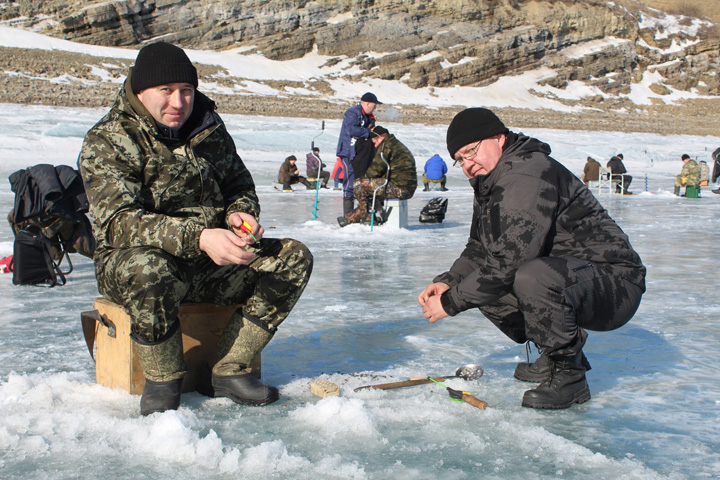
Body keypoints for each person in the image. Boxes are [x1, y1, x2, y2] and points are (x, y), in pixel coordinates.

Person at [78, 42, 314, 415]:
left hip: (209, 263)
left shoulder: (208, 127)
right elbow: (118, 222)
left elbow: (239, 183)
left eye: (186, 91)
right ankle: (162, 377)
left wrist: (240, 215)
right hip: (135, 264)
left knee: (292, 258)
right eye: (166, 91)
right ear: (140, 91)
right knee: (148, 267)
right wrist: (200, 237)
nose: (178, 102)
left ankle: (229, 368)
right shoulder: (108, 139)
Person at [417, 108, 646, 410]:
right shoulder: (491, 179)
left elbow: (510, 260)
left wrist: (450, 304)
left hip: (614, 284)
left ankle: (570, 376)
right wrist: (449, 282)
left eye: (471, 152)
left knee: (531, 276)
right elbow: (480, 247)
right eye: (460, 160)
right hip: (569, 277)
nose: (467, 165)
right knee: (483, 287)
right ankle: (553, 354)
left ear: (498, 138)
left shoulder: (527, 171)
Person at [337, 126, 417, 227]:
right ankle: (353, 217)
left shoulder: (386, 146)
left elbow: (375, 170)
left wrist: (365, 180)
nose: (374, 145)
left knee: (359, 184)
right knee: (371, 190)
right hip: (405, 187)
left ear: (380, 137)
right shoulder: (395, 144)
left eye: (374, 142)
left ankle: (365, 215)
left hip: (399, 188)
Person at [335, 92, 379, 216]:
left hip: (362, 154)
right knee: (349, 183)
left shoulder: (370, 117)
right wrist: (368, 132)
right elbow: (351, 129)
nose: (375, 108)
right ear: (367, 103)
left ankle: (362, 213)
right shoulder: (352, 113)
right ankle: (347, 215)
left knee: (362, 182)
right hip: (349, 152)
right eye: (374, 105)